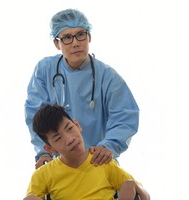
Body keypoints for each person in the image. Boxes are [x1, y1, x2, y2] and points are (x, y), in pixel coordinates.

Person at [13, 104, 150, 200]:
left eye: (69, 128)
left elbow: (146, 199)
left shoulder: (102, 161)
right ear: (50, 149)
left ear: (77, 125)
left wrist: (131, 184)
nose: (69, 139)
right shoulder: (44, 174)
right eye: (58, 138)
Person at [25, 8, 140, 169]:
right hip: (60, 163)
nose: (75, 43)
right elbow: (35, 116)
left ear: (89, 37)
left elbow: (125, 116)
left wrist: (109, 146)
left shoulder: (108, 76)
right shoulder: (45, 70)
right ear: (57, 44)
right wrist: (44, 152)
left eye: (81, 34)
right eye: (67, 37)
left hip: (98, 160)